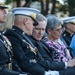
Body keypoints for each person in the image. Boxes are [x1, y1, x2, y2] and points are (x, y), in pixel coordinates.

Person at [0, 5, 30, 75]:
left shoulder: (2, 35)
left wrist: (21, 73)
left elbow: (10, 60)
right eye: (1, 9)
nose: (5, 12)